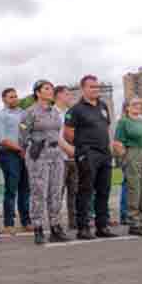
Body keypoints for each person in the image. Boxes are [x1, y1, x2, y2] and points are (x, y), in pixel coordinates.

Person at [63, 75, 118, 239]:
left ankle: (102, 226)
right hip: (87, 153)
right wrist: (82, 148)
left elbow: (105, 128)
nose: (96, 89)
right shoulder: (76, 109)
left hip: (104, 153)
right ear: (83, 89)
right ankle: (83, 227)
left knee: (104, 190)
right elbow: (68, 133)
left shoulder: (103, 106)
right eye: (92, 87)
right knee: (86, 190)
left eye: (97, 87)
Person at [22, 80, 70, 244]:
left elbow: (58, 133)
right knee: (38, 192)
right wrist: (31, 145)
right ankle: (38, 228)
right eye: (47, 88)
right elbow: (22, 134)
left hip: (56, 153)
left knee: (55, 191)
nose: (51, 91)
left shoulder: (55, 112)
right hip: (39, 154)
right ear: (38, 92)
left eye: (51, 88)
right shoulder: (30, 112)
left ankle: (55, 227)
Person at [113, 97, 142, 236]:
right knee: (134, 188)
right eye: (134, 104)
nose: (138, 106)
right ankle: (133, 221)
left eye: (139, 104)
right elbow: (117, 143)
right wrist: (125, 158)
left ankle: (140, 215)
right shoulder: (124, 122)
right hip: (133, 153)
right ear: (127, 108)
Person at [0, 88, 31, 234]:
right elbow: (2, 140)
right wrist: (20, 149)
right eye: (11, 97)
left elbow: (29, 131)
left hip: (25, 154)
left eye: (16, 96)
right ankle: (8, 224)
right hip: (9, 155)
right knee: (11, 190)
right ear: (4, 99)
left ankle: (26, 222)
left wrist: (26, 149)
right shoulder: (0, 116)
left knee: (25, 190)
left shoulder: (24, 114)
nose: (14, 99)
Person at [54, 86, 78, 229]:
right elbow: (54, 135)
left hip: (74, 157)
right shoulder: (52, 113)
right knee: (58, 191)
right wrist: (67, 149)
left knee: (75, 191)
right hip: (58, 158)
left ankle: (74, 222)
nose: (70, 97)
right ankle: (55, 223)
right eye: (67, 94)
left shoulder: (72, 113)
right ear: (59, 96)